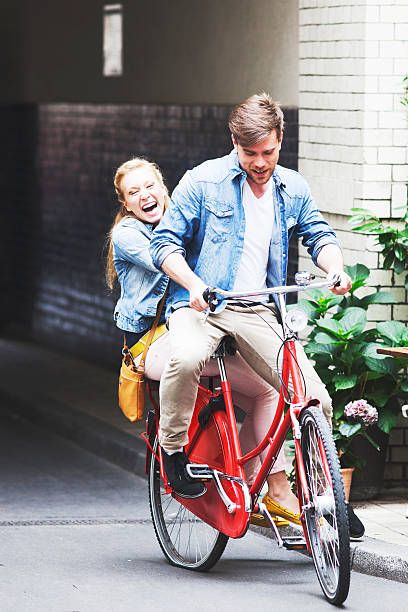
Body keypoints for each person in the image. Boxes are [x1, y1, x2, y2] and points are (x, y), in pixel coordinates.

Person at [150, 93, 365, 538]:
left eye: (268, 152)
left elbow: (318, 234)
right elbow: (164, 244)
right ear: (234, 143)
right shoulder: (203, 181)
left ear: (280, 140)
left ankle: (323, 499)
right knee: (186, 358)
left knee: (314, 399)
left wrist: (336, 267)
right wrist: (193, 285)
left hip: (257, 308)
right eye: (250, 154)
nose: (260, 162)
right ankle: (173, 454)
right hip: (204, 303)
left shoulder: (292, 187)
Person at [106, 157, 296, 523]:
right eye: (134, 192)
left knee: (267, 391)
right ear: (125, 204)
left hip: (206, 327)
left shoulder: (185, 220)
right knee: (193, 360)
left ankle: (269, 486)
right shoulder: (128, 235)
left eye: (150, 186)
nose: (145, 196)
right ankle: (174, 455)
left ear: (165, 189)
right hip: (153, 342)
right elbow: (168, 260)